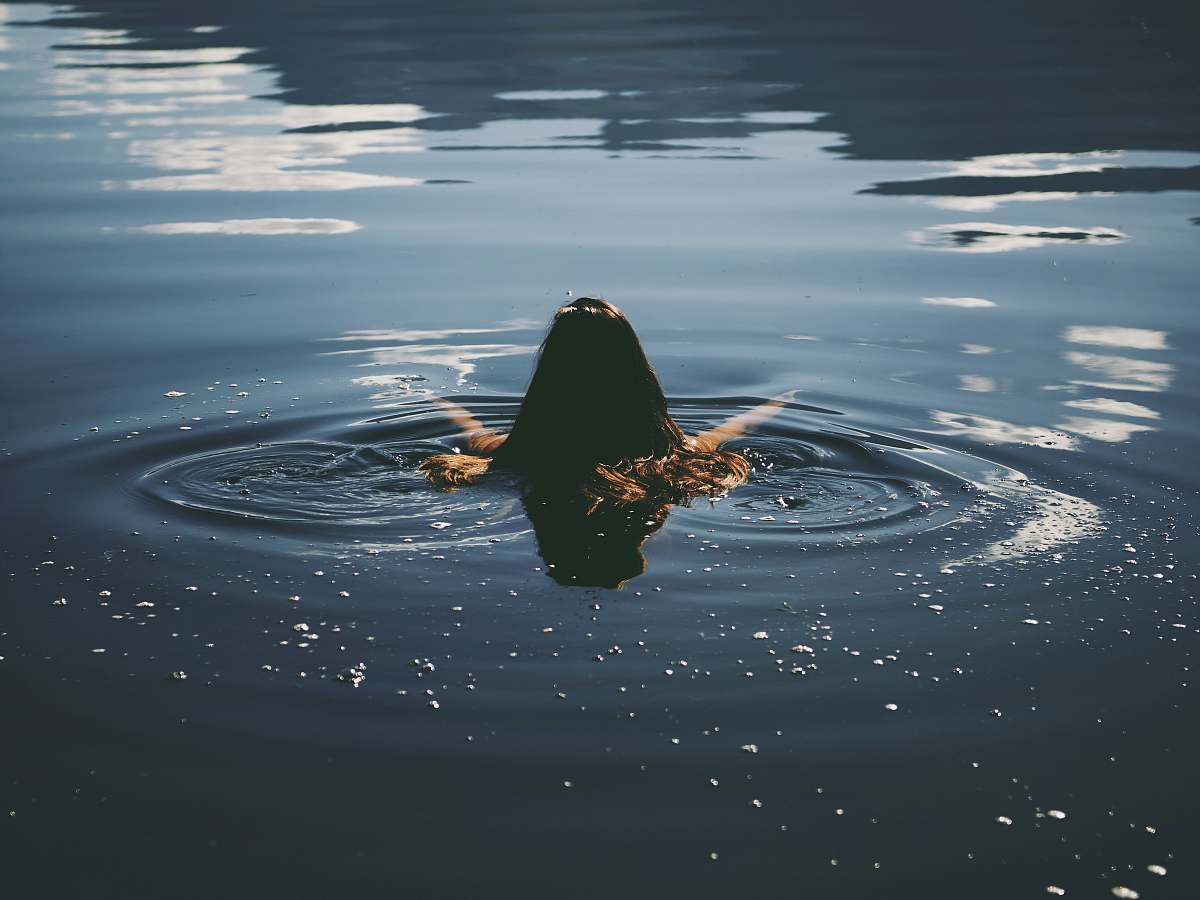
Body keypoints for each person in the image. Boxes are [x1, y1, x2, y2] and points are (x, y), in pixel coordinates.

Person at [421, 296, 791, 511]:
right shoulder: (677, 454)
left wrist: (428, 395)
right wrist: (780, 402)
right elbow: (728, 430)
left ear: (550, 378)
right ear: (636, 372)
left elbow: (468, 427)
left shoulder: (513, 454)